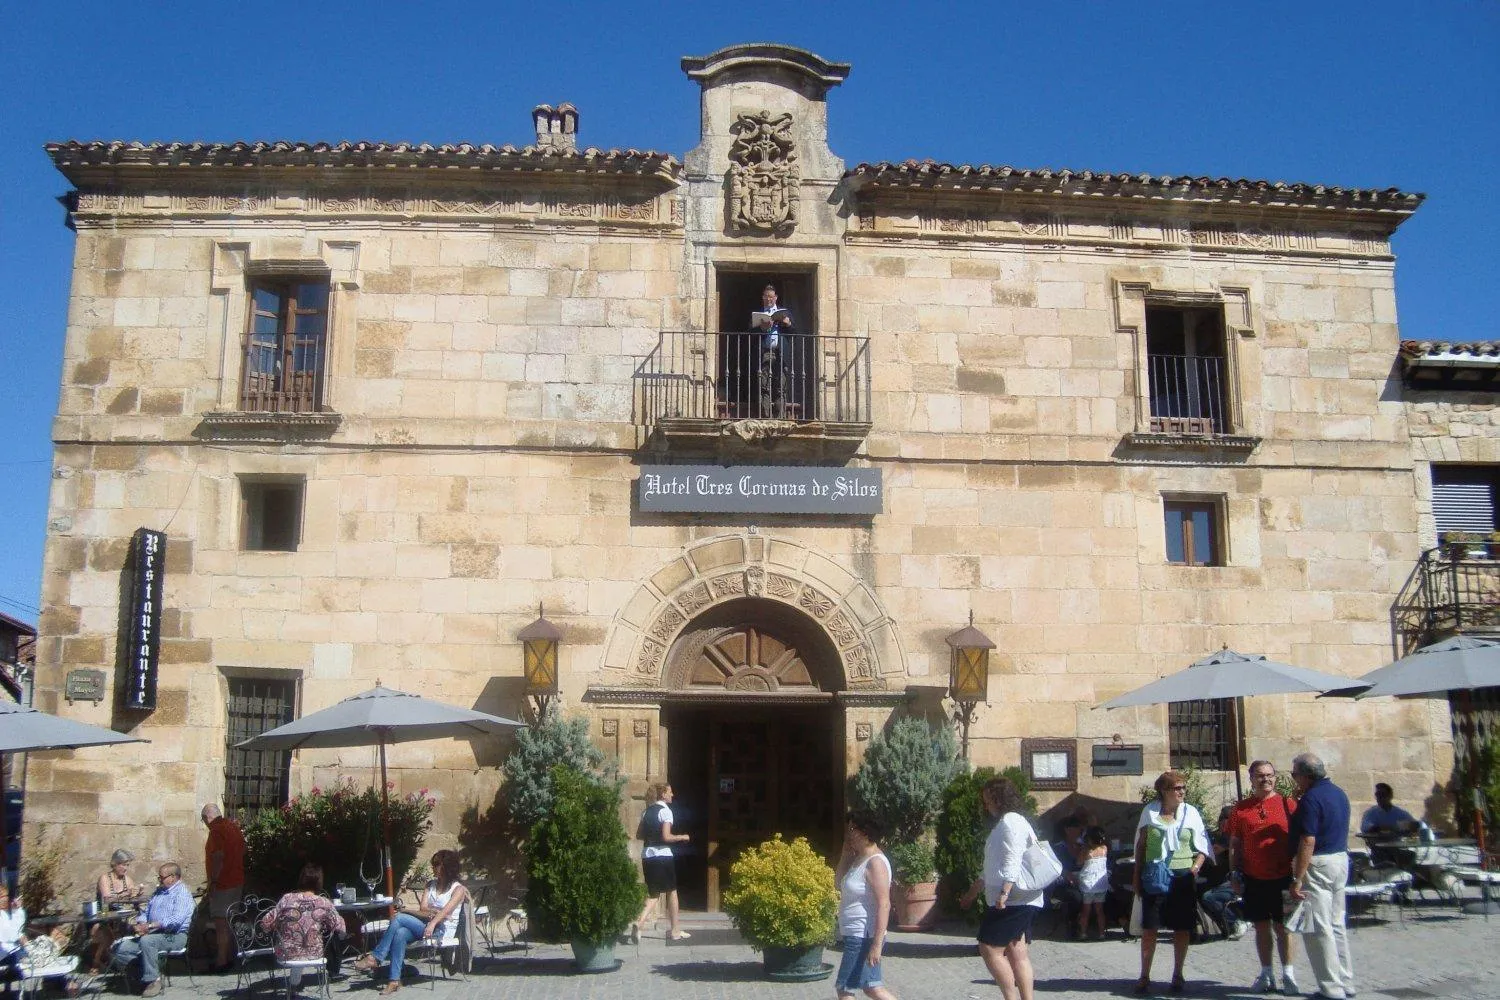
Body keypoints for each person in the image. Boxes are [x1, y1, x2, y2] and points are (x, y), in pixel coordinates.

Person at [959, 776, 1041, 1000]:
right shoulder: (1009, 821)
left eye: (989, 800)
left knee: (989, 948)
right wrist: (973, 892)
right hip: (1018, 897)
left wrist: (1004, 893)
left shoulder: (1010, 821)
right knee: (1017, 951)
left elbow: (1012, 859)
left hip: (1013, 898)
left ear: (999, 798)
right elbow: (992, 866)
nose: (986, 806)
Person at [1132, 770, 1210, 996]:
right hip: (1155, 875)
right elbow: (1141, 845)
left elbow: (1203, 845)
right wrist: (1136, 875)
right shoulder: (1150, 812)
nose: (1182, 792)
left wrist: (1195, 868)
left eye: (1183, 787)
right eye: (1177, 788)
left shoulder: (1191, 813)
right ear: (1164, 790)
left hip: (1182, 876)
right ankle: (1144, 975)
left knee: (1181, 927)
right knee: (1150, 928)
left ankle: (1178, 974)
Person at [1227, 760, 1300, 994]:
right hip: (1254, 877)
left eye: (1269, 775)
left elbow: (1301, 841)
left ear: (1275, 778)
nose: (1265, 779)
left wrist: (1300, 875)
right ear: (1251, 779)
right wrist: (1234, 873)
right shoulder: (1241, 809)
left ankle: (1288, 974)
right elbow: (1235, 844)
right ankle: (1267, 973)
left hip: (1283, 876)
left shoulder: (1288, 805)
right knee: (1261, 927)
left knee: (1284, 928)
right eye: (1260, 775)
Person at [354, 849, 467, 996]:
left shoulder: (458, 889)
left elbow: (446, 911)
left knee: (399, 918)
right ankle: (394, 981)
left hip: (441, 930)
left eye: (437, 864)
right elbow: (423, 909)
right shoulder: (430, 885)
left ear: (447, 866)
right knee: (400, 933)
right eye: (433, 864)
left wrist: (433, 921)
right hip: (424, 924)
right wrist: (433, 913)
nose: (433, 867)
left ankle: (375, 957)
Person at [1288, 752, 1354, 1000]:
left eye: (1295, 774)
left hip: (1319, 864)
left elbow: (1308, 839)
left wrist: (1298, 876)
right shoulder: (1338, 793)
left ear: (1305, 775)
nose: (1294, 779)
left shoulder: (1311, 799)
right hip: (1340, 858)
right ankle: (1346, 981)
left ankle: (1331, 988)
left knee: (1319, 927)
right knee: (1337, 924)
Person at [833, 810, 898, 1000]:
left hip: (863, 935)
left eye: (852, 829)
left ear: (866, 832)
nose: (849, 834)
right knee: (872, 987)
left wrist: (876, 945)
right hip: (855, 933)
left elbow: (884, 904)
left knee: (845, 989)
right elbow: (838, 884)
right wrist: (845, 855)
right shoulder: (859, 859)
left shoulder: (875, 863)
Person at [111, 862, 195, 997]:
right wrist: (141, 923)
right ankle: (140, 975)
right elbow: (146, 912)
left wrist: (151, 926)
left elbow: (176, 920)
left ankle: (153, 981)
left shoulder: (182, 893)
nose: (159, 880)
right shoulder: (158, 892)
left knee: (148, 941)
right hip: (154, 933)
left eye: (162, 877)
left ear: (173, 877)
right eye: (159, 877)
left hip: (175, 936)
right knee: (121, 948)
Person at [258, 864, 344, 988]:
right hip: (314, 953)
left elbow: (265, 923)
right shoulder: (324, 902)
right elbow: (339, 927)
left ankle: (294, 982)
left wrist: (279, 926)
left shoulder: (287, 899)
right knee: (329, 937)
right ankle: (332, 972)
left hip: (287, 953)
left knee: (291, 941)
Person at [632, 783, 691, 942]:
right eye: (670, 792)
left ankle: (640, 922)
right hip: (662, 856)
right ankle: (675, 931)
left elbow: (639, 835)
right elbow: (666, 836)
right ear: (663, 794)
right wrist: (682, 837)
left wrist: (652, 834)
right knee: (672, 891)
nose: (672, 794)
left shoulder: (646, 812)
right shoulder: (665, 811)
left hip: (647, 855)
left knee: (654, 893)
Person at [201, 804, 246, 973]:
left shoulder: (216, 831)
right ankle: (231, 957)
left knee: (221, 924)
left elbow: (218, 857)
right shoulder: (233, 827)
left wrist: (213, 882)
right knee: (230, 921)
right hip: (237, 880)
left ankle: (221, 961)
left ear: (207, 818)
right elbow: (244, 850)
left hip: (223, 884)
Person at [90, 849, 143, 970]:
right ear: (115, 864)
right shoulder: (105, 878)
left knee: (135, 926)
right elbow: (107, 899)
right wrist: (125, 894)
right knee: (106, 933)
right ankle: (96, 964)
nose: (126, 868)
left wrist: (137, 893)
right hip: (103, 914)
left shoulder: (127, 880)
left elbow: (132, 898)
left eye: (127, 865)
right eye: (123, 865)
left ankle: (127, 962)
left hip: (120, 916)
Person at [751, 284, 794, 417]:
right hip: (765, 352)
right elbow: (750, 332)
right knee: (764, 385)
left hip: (780, 352)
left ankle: (780, 417)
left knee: (781, 385)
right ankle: (765, 416)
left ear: (776, 298)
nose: (769, 299)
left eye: (771, 297)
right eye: (766, 297)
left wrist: (788, 324)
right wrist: (762, 328)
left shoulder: (785, 312)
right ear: (763, 298)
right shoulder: (758, 314)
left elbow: (794, 332)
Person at [1076, 827, 1110, 940]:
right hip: (1101, 885)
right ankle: (1102, 933)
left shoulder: (1087, 851)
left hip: (1088, 885)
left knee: (1086, 910)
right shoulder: (1104, 849)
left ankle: (1083, 933)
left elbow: (1079, 862)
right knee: (1100, 910)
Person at [1, 881, 27, 978]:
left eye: (7, 896)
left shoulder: (5, 914)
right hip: (5, 954)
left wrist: (17, 910)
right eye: (3, 897)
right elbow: (10, 936)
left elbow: (18, 930)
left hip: (11, 952)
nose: (6, 899)